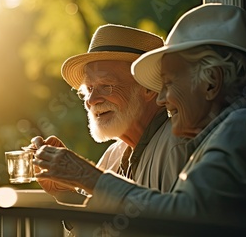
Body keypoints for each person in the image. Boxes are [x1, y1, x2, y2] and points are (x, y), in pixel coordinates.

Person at [33, 4, 246, 235]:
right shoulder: (229, 132)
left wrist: (89, 177)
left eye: (168, 83)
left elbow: (185, 220)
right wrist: (72, 190)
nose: (162, 98)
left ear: (211, 82)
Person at [31, 24, 194, 207]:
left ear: (148, 88)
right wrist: (65, 191)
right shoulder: (114, 154)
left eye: (105, 85)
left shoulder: (178, 146)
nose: (91, 100)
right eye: (89, 89)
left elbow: (169, 224)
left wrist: (83, 174)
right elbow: (102, 226)